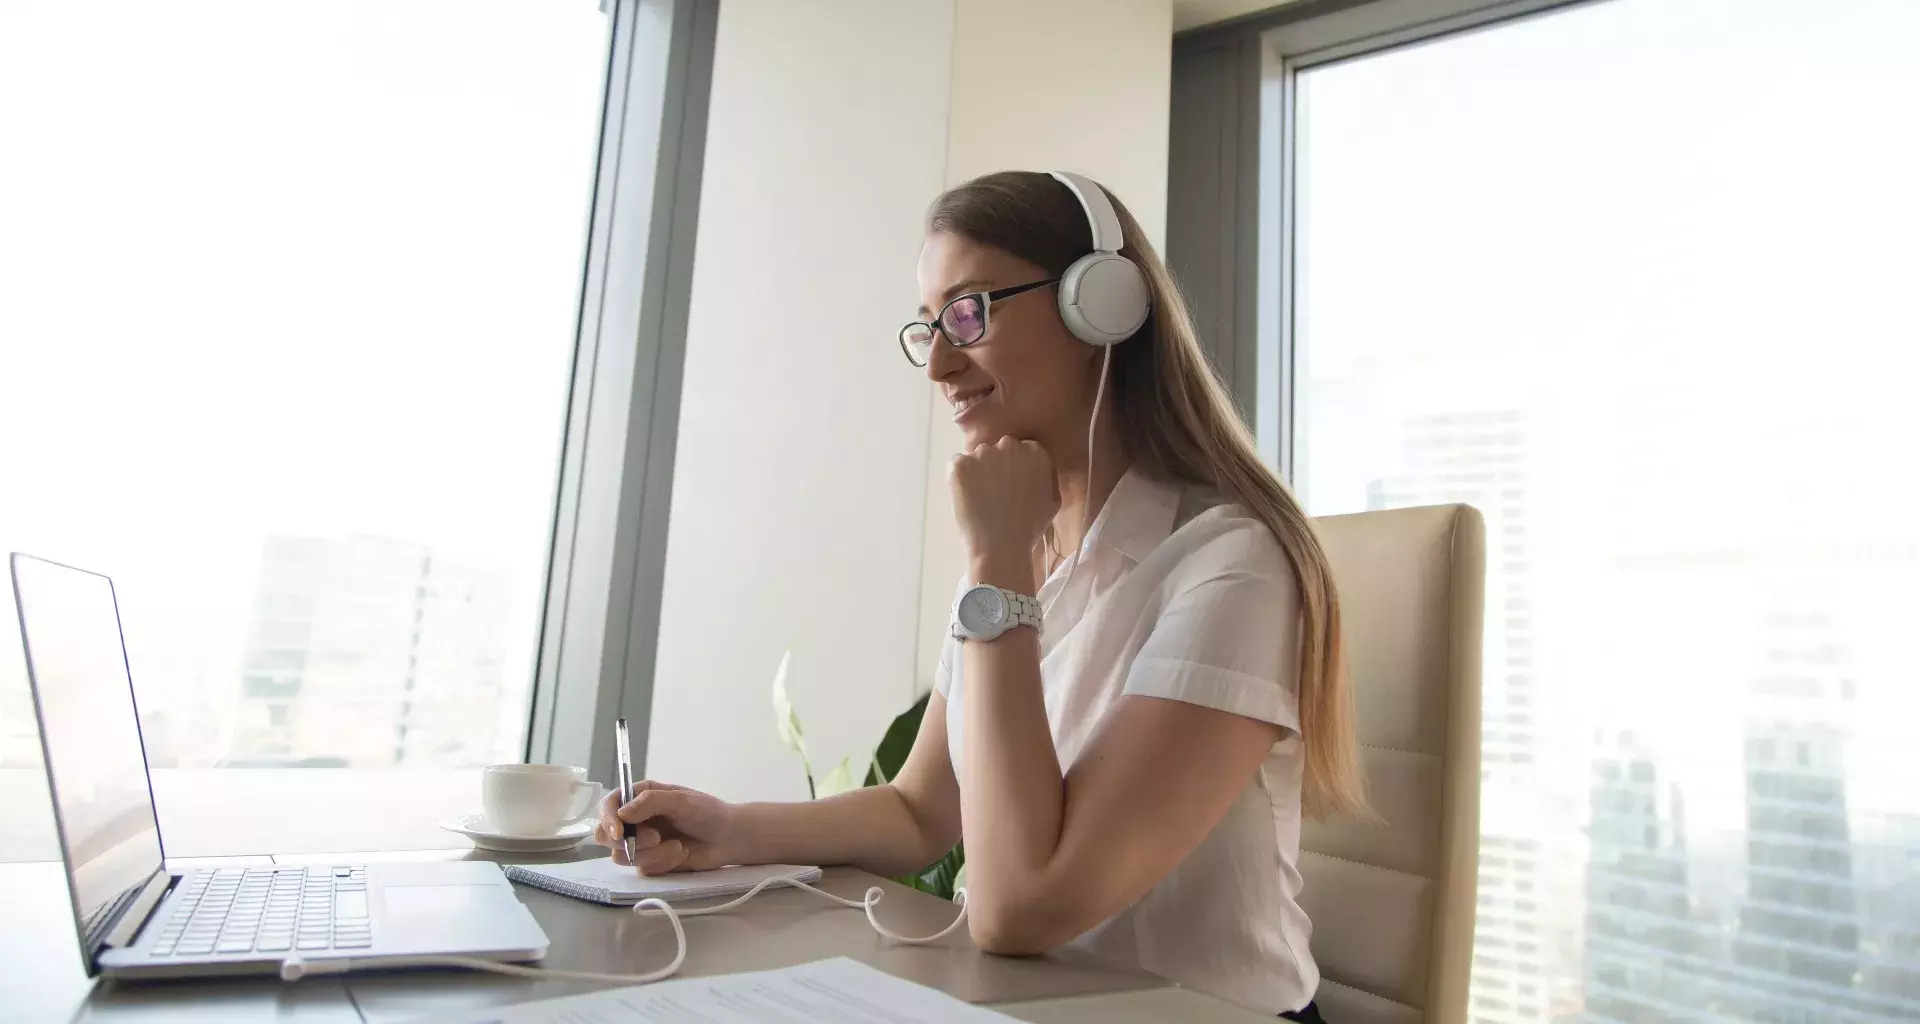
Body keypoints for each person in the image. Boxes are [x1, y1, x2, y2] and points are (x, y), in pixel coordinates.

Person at [595, 170, 1366, 1021]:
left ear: (1099, 307)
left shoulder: (1233, 566)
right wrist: (729, 829)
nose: (938, 363)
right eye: (928, 327)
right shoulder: (1021, 550)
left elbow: (1018, 907)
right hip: (1023, 1003)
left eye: (969, 313)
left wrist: (995, 564)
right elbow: (919, 810)